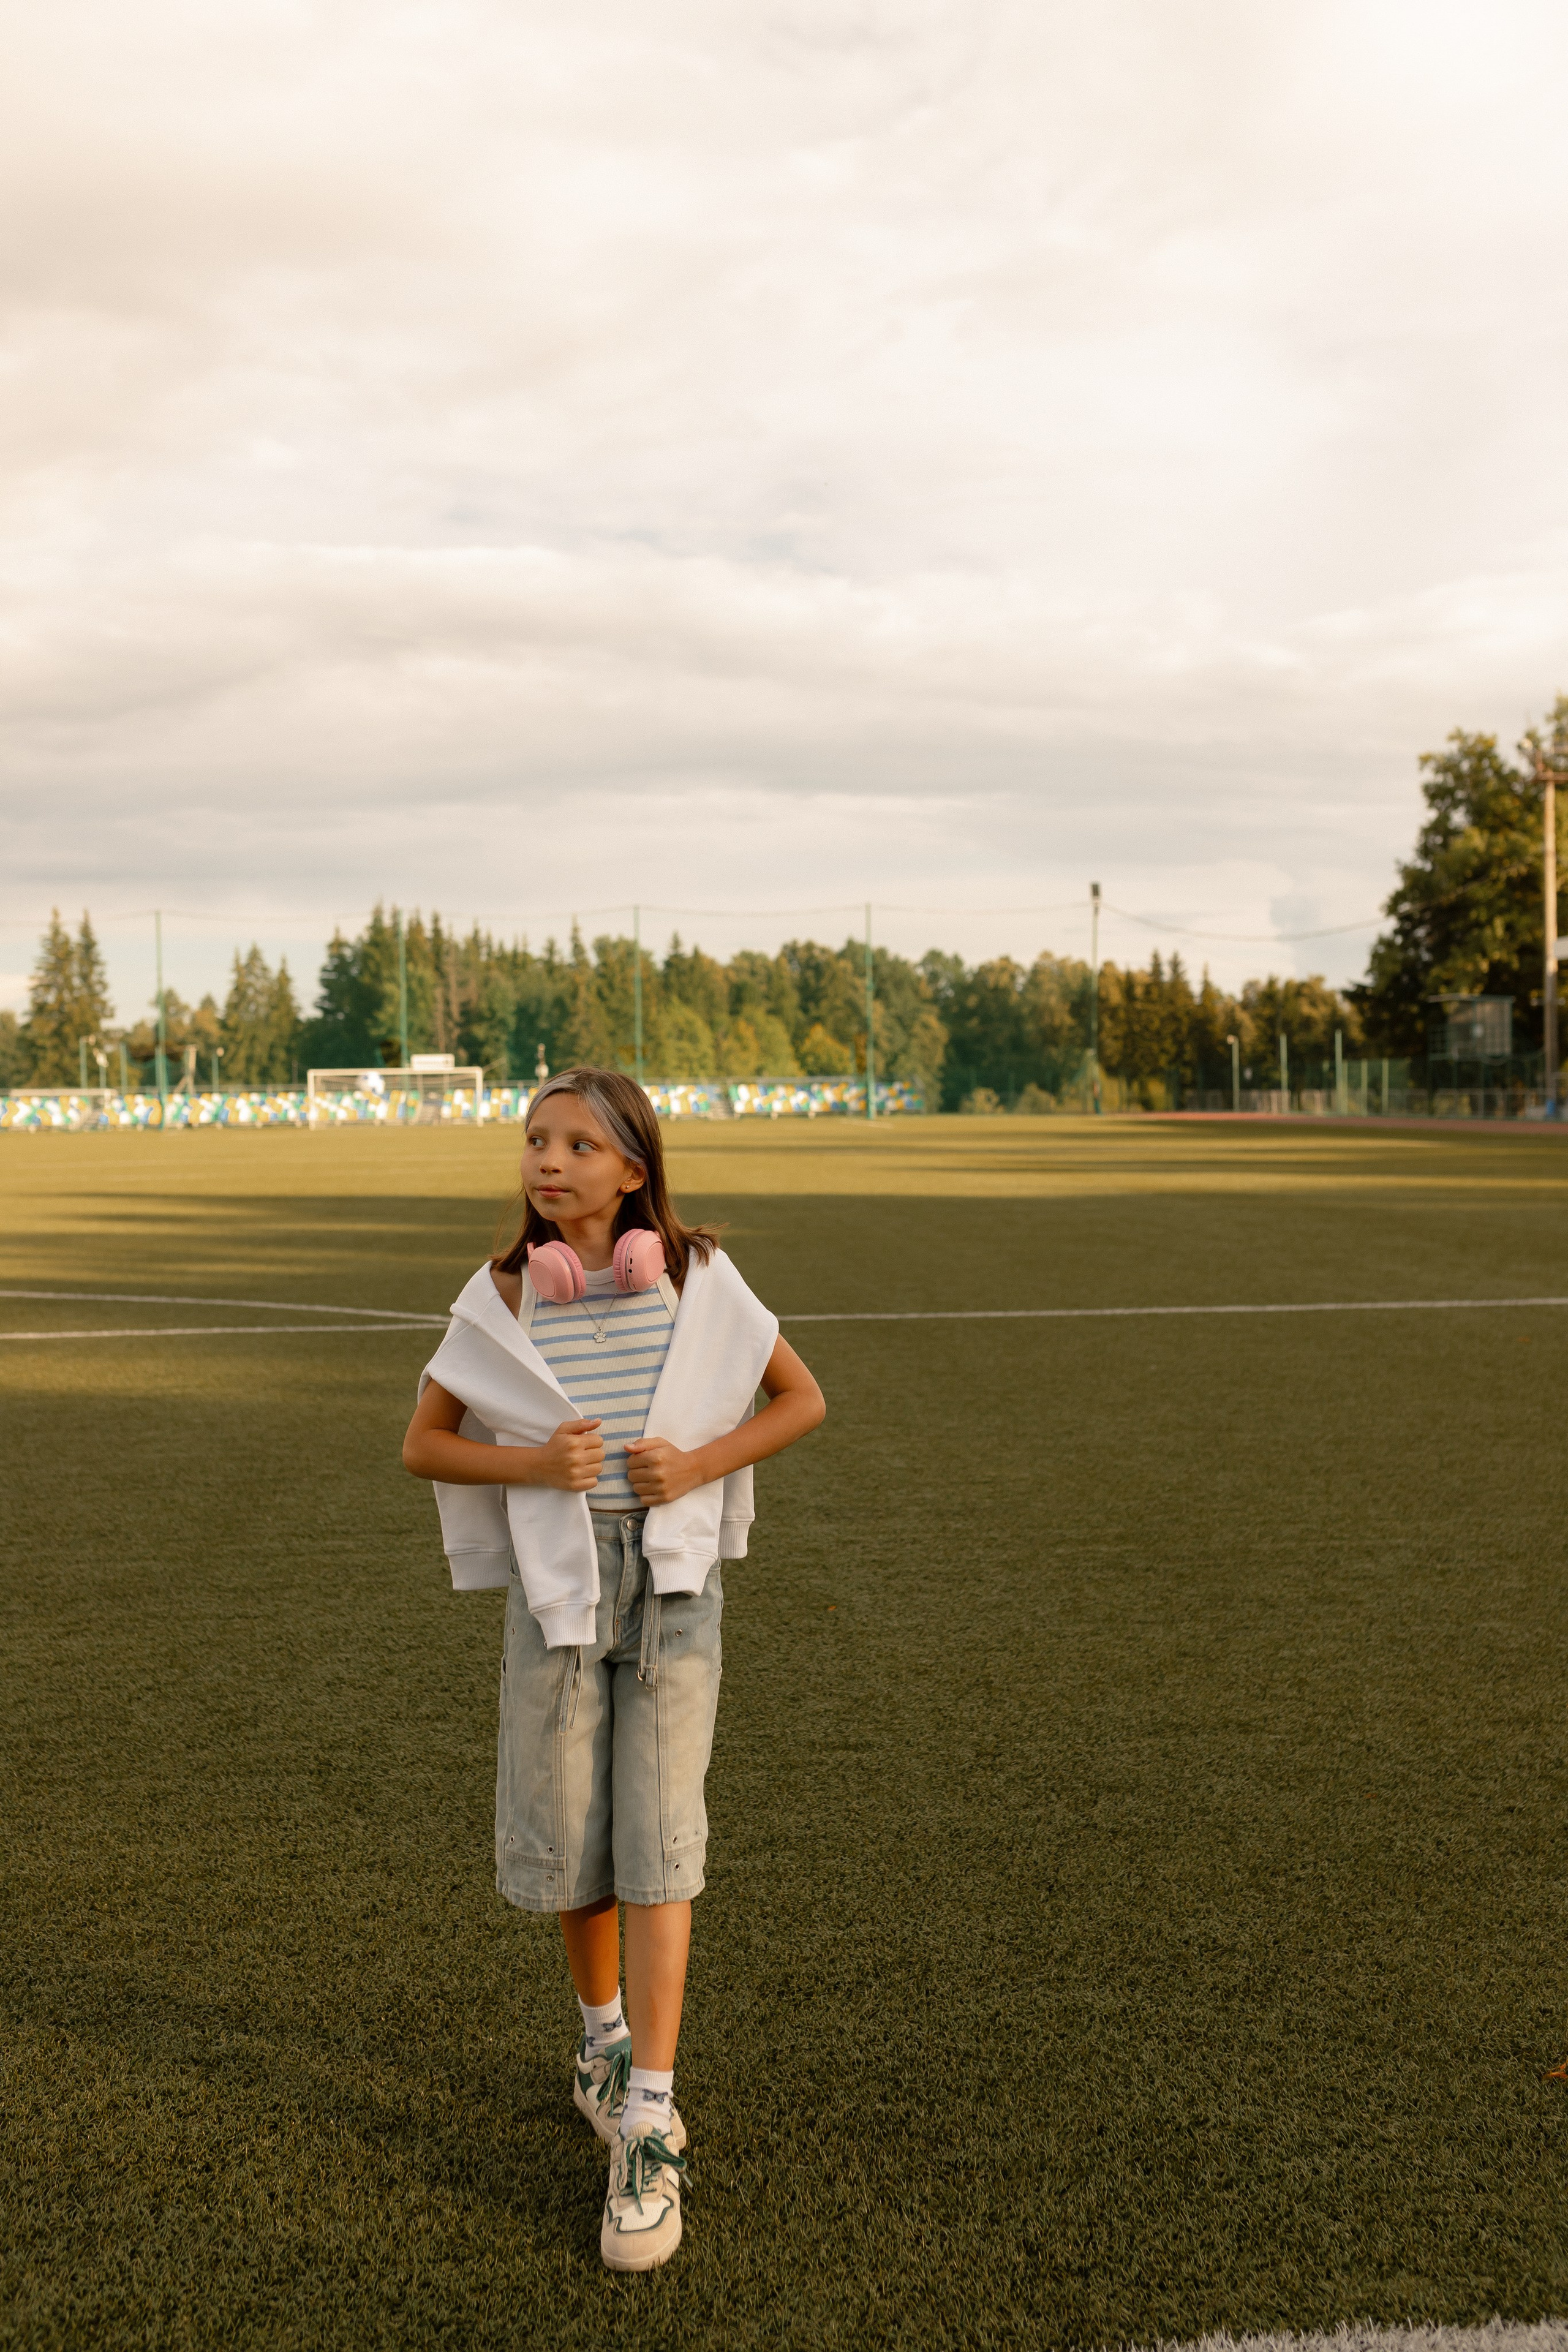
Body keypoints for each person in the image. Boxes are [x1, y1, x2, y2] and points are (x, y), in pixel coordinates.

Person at [402, 1068, 825, 2271]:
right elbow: (422, 1440)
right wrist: (533, 1469)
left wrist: (696, 1466)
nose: (546, 1160)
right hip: (559, 1594)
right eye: (535, 1139)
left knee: (658, 1843)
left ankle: (649, 2109)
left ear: (633, 1171)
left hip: (672, 1591)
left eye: (578, 1144)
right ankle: (597, 2039)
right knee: (574, 1832)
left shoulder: (694, 1280)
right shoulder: (500, 1295)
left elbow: (800, 1400)